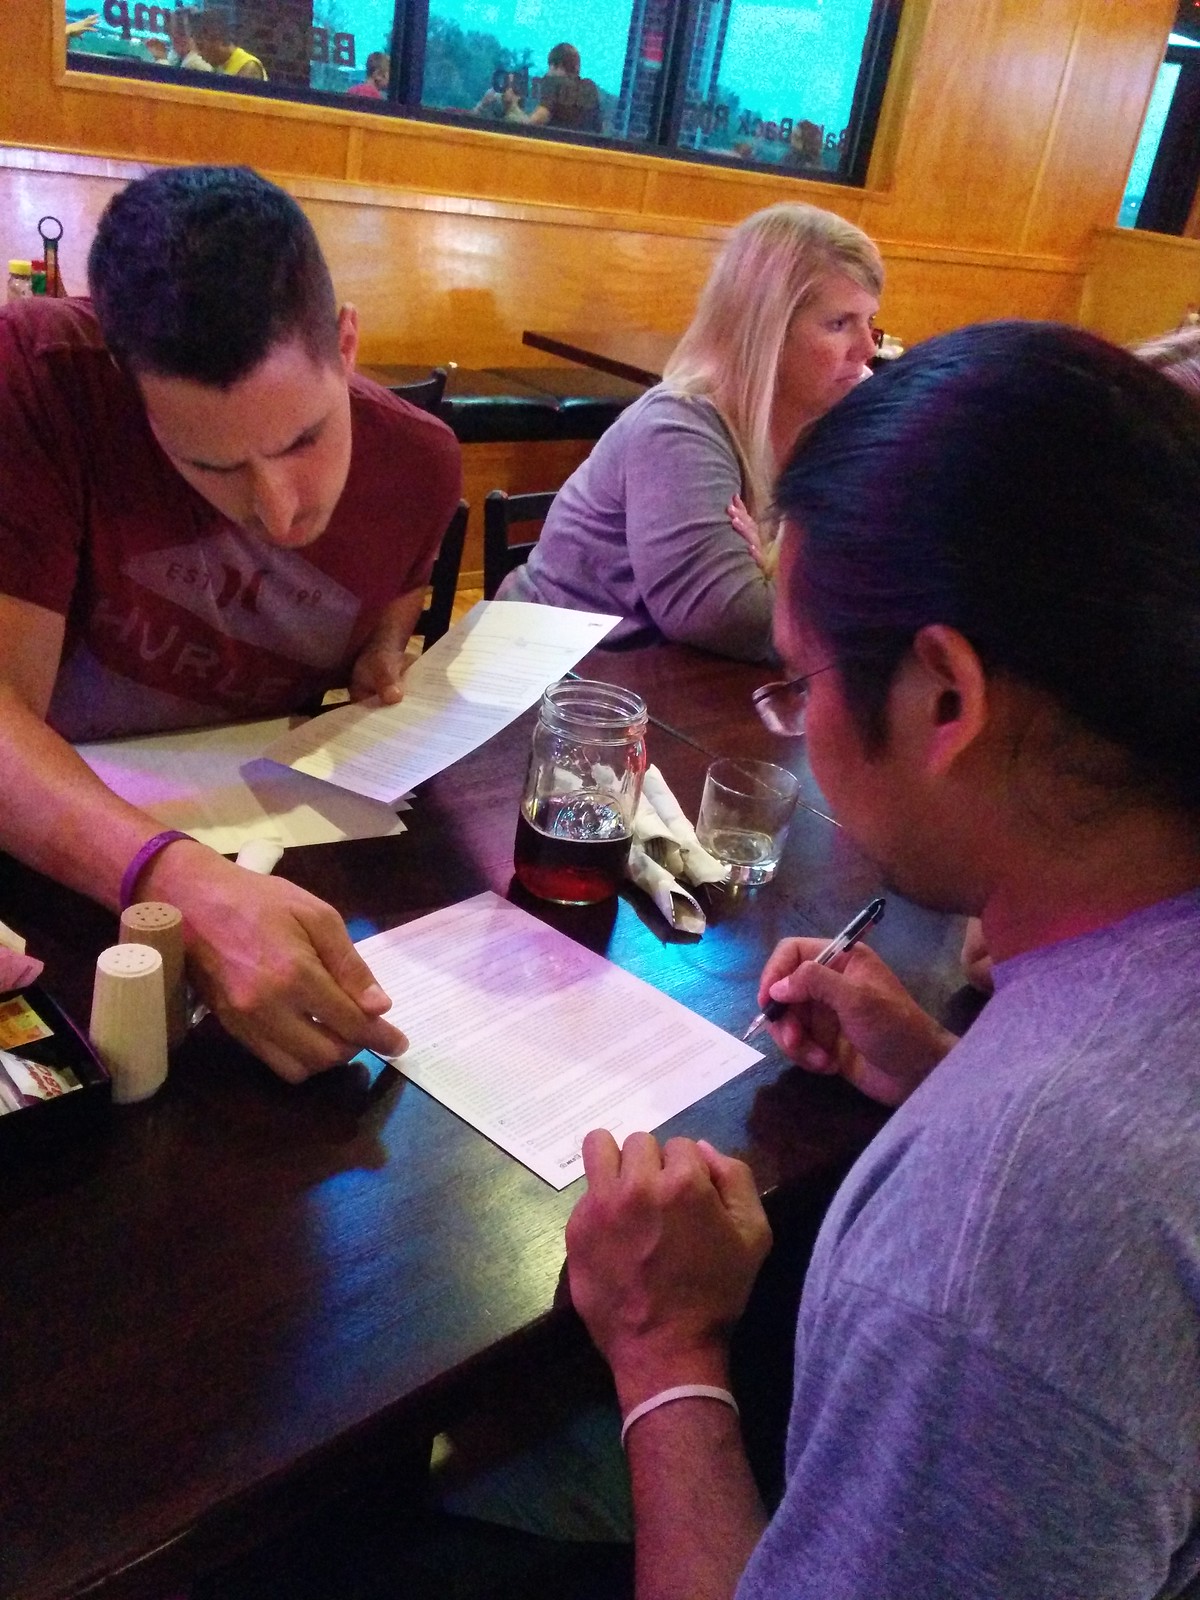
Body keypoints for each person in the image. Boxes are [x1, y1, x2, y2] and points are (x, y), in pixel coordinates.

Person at [566, 321, 1200, 1597]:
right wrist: (945, 1067)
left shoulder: (996, 1237)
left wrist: (662, 1347)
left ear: (945, 698)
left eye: (800, 683)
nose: (799, 720)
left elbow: (1056, 1239)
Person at [0, 165, 461, 1085]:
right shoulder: (37, 376)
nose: (281, 509)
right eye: (211, 465)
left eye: (304, 439)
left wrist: (385, 647)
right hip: (57, 882)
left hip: (278, 863)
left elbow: (396, 607)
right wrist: (179, 885)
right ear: (131, 389)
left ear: (346, 343)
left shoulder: (422, 464)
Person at [498, 203, 881, 661]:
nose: (866, 348)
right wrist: (810, 577)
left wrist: (781, 574)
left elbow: (894, 557)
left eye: (870, 322)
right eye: (839, 324)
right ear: (764, 331)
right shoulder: (677, 428)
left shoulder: (834, 425)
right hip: (543, 669)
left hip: (662, 678)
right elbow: (735, 620)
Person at [527, 43, 601, 133]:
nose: (548, 72)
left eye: (549, 67)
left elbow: (540, 118)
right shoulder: (590, 88)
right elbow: (598, 126)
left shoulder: (552, 83)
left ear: (555, 66)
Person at [192, 9, 266, 78]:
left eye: (200, 46)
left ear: (217, 39)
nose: (198, 53)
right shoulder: (219, 67)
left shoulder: (248, 66)